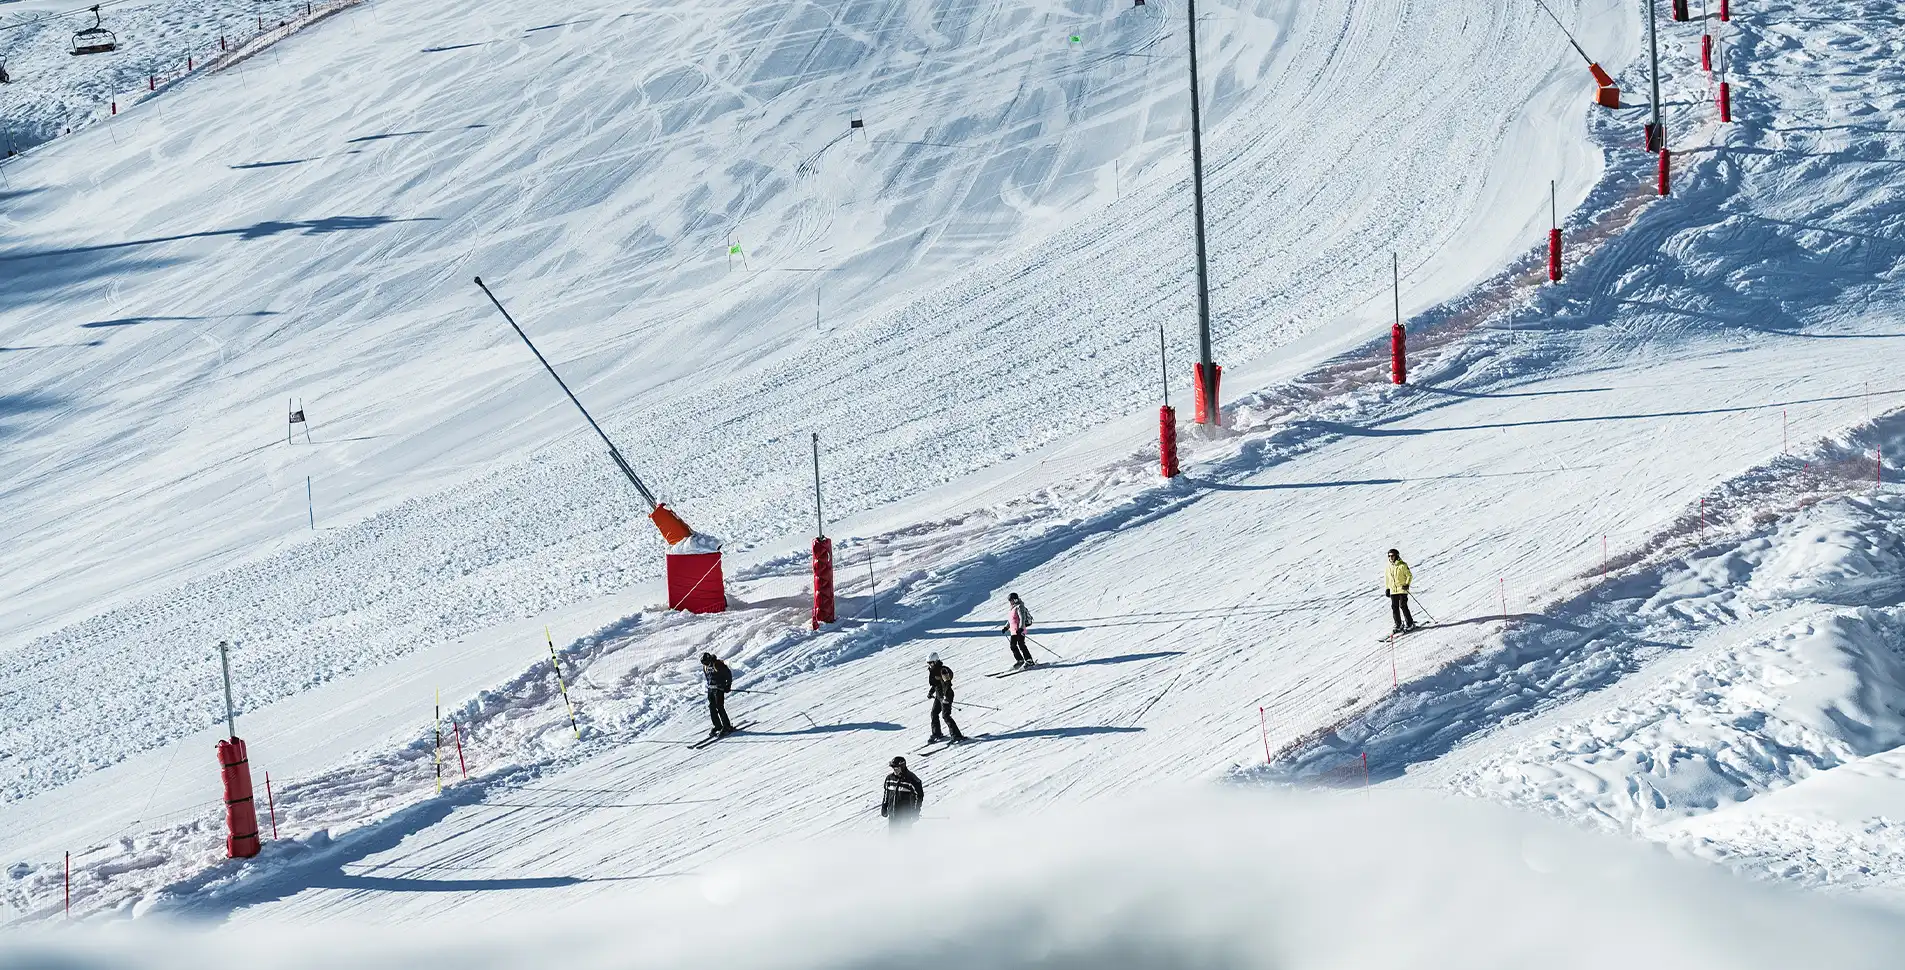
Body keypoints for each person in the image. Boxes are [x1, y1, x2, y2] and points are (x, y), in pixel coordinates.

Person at [926, 653, 966, 744]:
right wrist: (931, 692)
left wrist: (946, 697)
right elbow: (936, 684)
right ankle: (937, 733)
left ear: (936, 661)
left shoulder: (943, 670)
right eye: (928, 663)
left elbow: (947, 684)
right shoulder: (934, 671)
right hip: (939, 696)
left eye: (931, 663)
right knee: (934, 713)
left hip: (946, 695)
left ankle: (957, 735)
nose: (930, 665)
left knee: (945, 715)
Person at [881, 756, 925, 828]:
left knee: (904, 838)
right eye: (893, 768)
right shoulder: (889, 779)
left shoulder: (911, 779)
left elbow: (919, 796)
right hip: (893, 815)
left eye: (897, 768)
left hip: (905, 817)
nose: (895, 770)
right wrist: (884, 807)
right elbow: (886, 794)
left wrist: (915, 812)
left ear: (902, 767)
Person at [700, 652, 735, 736]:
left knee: (719, 706)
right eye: (704, 663)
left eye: (706, 662)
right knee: (712, 707)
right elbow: (708, 677)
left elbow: (728, 674)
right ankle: (718, 726)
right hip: (711, 689)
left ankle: (727, 726)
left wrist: (728, 685)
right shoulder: (705, 667)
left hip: (719, 689)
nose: (705, 664)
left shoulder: (718, 664)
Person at [1384, 549, 1419, 634]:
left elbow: (1409, 575)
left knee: (1403, 606)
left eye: (1392, 555)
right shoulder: (1388, 567)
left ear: (1396, 556)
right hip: (1393, 590)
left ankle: (1410, 623)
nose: (1391, 557)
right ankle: (1398, 624)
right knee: (1394, 607)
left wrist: (1407, 584)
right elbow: (1387, 578)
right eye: (1389, 556)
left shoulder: (1403, 565)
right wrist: (1387, 588)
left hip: (1402, 589)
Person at [1003, 592, 1035, 668]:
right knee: (1012, 646)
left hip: (1020, 629)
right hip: (1014, 631)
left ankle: (1029, 660)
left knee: (1021, 644)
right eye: (1010, 600)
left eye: (1011, 600)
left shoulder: (1019, 606)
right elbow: (1010, 620)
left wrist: (1021, 628)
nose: (1010, 602)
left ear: (1015, 599)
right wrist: (1006, 627)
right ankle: (1020, 660)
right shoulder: (1012, 608)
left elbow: (1022, 618)